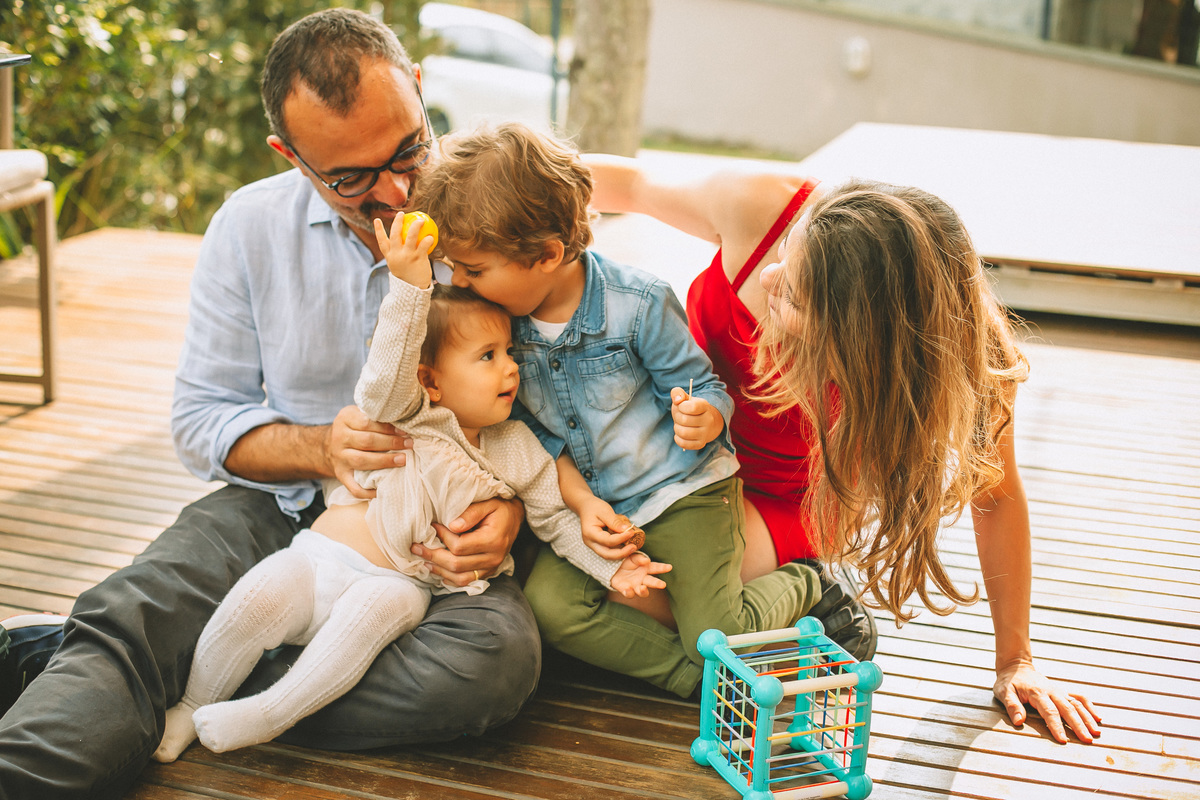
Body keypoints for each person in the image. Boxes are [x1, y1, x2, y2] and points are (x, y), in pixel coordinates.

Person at [0, 10, 543, 798]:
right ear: (291, 157)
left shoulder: (495, 207)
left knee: (492, 670)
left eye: (407, 151)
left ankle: (171, 675)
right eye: (350, 177)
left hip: (434, 543)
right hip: (275, 506)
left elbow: (558, 402)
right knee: (137, 609)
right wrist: (322, 449)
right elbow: (202, 418)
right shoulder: (249, 227)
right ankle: (120, 682)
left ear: (420, 94)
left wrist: (514, 515)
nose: (393, 191)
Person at [585, 158, 1103, 744]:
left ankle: (814, 596)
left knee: (636, 586)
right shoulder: (765, 207)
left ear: (859, 341)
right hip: (658, 445)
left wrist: (1017, 658)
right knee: (570, 556)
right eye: (786, 255)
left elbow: (997, 494)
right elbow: (624, 183)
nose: (772, 277)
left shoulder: (966, 361)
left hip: (773, 496)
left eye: (796, 295)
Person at [153, 214, 669, 763]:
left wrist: (611, 567)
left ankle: (272, 712)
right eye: (488, 357)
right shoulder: (407, 412)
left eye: (511, 354)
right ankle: (190, 706)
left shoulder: (516, 444)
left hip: (401, 585)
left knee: (363, 628)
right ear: (431, 380)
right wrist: (409, 285)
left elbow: (555, 519)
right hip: (323, 559)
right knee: (257, 598)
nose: (510, 370)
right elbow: (387, 368)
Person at [410, 123, 825, 700]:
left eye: (473, 270)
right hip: (599, 508)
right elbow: (531, 436)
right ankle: (693, 677)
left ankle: (806, 584)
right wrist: (580, 505)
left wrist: (704, 412)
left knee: (714, 630)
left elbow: (702, 383)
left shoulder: (638, 304)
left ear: (548, 254)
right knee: (552, 610)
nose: (458, 283)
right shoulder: (500, 328)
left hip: (684, 493)